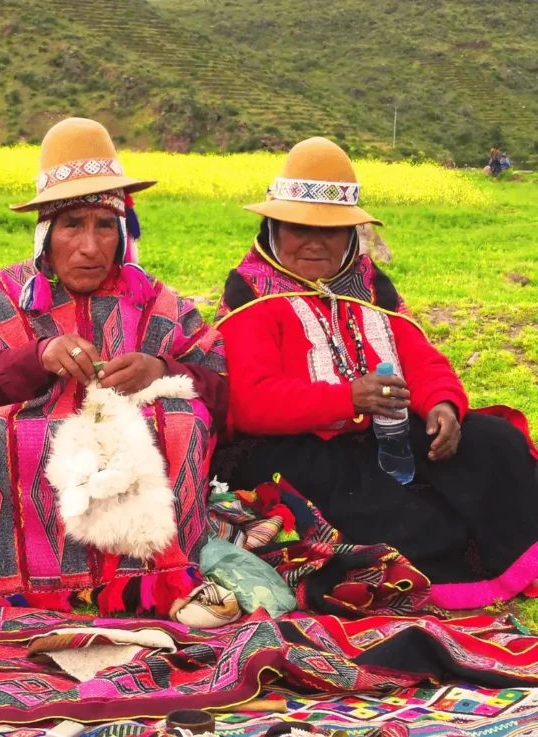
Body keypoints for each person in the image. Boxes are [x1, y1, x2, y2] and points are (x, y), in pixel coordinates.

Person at [0, 118, 229, 617]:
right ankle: (3, 572)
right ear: (46, 232)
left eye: (103, 226)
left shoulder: (156, 301)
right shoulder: (2, 296)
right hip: (25, 420)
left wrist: (158, 367)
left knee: (178, 424)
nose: (90, 246)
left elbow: (218, 386)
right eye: (72, 224)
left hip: (127, 424)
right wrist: (35, 359)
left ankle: (148, 573)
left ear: (122, 231)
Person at [214, 136, 538, 609]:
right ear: (273, 227)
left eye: (332, 230)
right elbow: (251, 403)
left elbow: (421, 358)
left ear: (352, 236)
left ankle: (514, 556)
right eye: (298, 227)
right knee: (377, 505)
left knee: (493, 441)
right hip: (292, 448)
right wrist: (349, 399)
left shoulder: (369, 287)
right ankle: (439, 573)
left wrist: (444, 404)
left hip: (383, 431)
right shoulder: (252, 298)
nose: (314, 241)